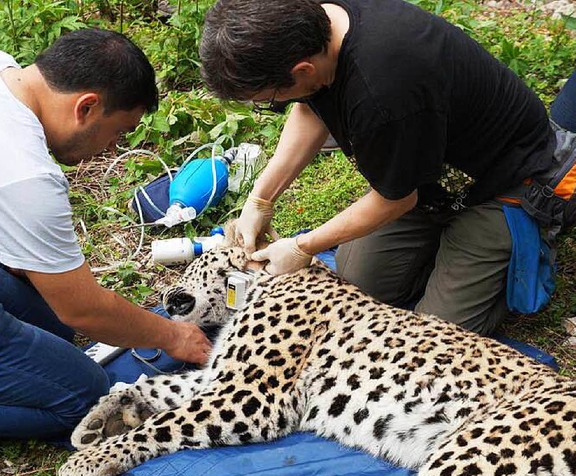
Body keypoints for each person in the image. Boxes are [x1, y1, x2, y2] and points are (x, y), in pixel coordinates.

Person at [199, 0, 556, 335]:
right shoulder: (309, 23)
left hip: (500, 182)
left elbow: (395, 201)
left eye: (271, 99)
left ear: (303, 69)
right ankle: (445, 252)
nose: (276, 105)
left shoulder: (382, 95)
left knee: (434, 334)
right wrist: (260, 199)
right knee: (356, 284)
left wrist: (303, 246)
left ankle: (511, 250)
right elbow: (310, 105)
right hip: (428, 174)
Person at [0, 28, 211, 442]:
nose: (112, 148)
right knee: (86, 397)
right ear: (86, 107)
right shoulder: (22, 172)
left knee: (56, 331)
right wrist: (172, 335)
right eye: (117, 132)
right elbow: (84, 310)